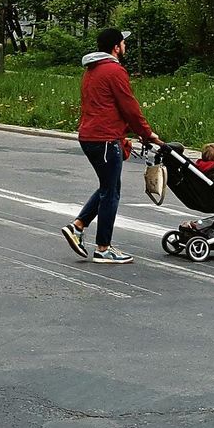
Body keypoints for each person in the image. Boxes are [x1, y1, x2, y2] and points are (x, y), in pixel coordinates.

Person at [61, 28, 160, 264]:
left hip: (92, 136)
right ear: (116, 47)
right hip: (104, 139)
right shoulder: (114, 70)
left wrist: (121, 136)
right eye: (123, 43)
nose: (125, 46)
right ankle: (103, 248)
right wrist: (147, 134)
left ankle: (78, 226)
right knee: (111, 192)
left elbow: (101, 107)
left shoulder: (91, 70)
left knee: (109, 187)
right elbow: (129, 106)